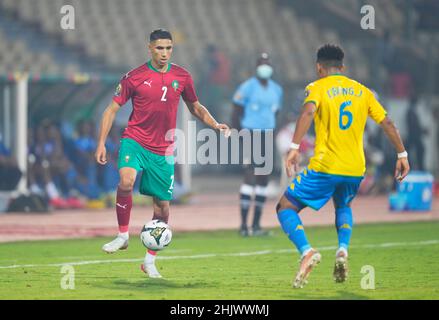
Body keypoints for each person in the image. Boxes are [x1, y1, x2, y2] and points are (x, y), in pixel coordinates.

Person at [95, 29, 230, 278]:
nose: (164, 53)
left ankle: (149, 261)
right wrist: (101, 143)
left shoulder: (183, 76)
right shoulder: (134, 77)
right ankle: (123, 235)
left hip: (163, 148)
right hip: (135, 140)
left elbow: (196, 107)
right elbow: (110, 110)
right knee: (126, 180)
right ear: (150, 48)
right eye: (159, 48)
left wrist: (215, 124)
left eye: (168, 48)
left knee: (163, 207)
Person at [276, 44, 410, 288]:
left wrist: (294, 147)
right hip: (355, 168)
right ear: (343, 67)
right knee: (343, 205)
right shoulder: (362, 91)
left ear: (319, 67)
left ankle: (306, 251)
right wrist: (402, 153)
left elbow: (307, 113)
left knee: (285, 206)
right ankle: (342, 250)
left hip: (326, 166)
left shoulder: (316, 87)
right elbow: (387, 122)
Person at [231, 53, 283, 236]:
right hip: (250, 133)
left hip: (267, 134)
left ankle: (257, 225)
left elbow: (276, 113)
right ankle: (244, 226)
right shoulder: (247, 87)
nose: (265, 67)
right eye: (262, 63)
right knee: (250, 174)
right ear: (256, 66)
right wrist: (237, 134)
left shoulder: (276, 89)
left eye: (267, 63)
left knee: (263, 178)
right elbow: (236, 111)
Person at [405, 96, 427, 171]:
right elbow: (413, 126)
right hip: (414, 136)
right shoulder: (411, 112)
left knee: (418, 150)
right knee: (420, 150)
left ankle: (417, 166)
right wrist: (421, 131)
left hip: (414, 135)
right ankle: (419, 167)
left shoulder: (412, 112)